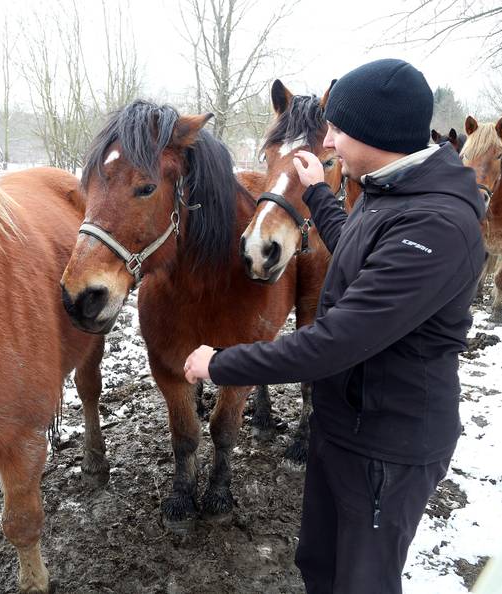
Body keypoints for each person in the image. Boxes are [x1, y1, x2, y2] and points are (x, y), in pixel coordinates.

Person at [183, 59, 486, 594]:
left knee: (361, 580)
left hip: (387, 447)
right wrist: (316, 192)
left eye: (338, 128)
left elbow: (334, 342)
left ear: (377, 132)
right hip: (347, 421)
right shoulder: (392, 188)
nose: (328, 138)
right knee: (320, 564)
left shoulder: (437, 226)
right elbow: (358, 243)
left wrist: (220, 363)